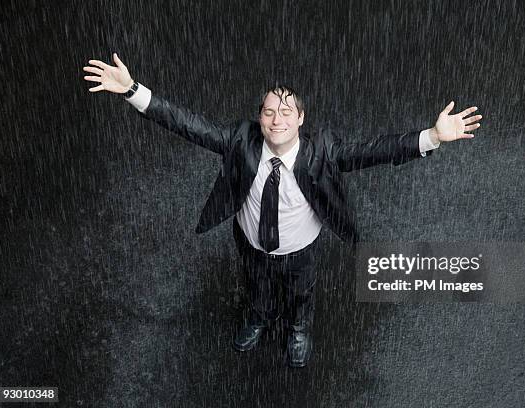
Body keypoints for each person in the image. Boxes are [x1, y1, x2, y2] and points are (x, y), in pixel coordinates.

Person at [83, 53, 483, 368]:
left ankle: (298, 329)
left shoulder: (322, 150)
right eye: (270, 111)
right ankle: (257, 318)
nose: (277, 119)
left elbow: (375, 150)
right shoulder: (241, 141)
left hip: (302, 248)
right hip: (251, 241)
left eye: (286, 112)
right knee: (255, 287)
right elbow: (187, 123)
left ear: (301, 120)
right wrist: (133, 89)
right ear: (260, 119)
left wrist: (432, 137)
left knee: (300, 293)